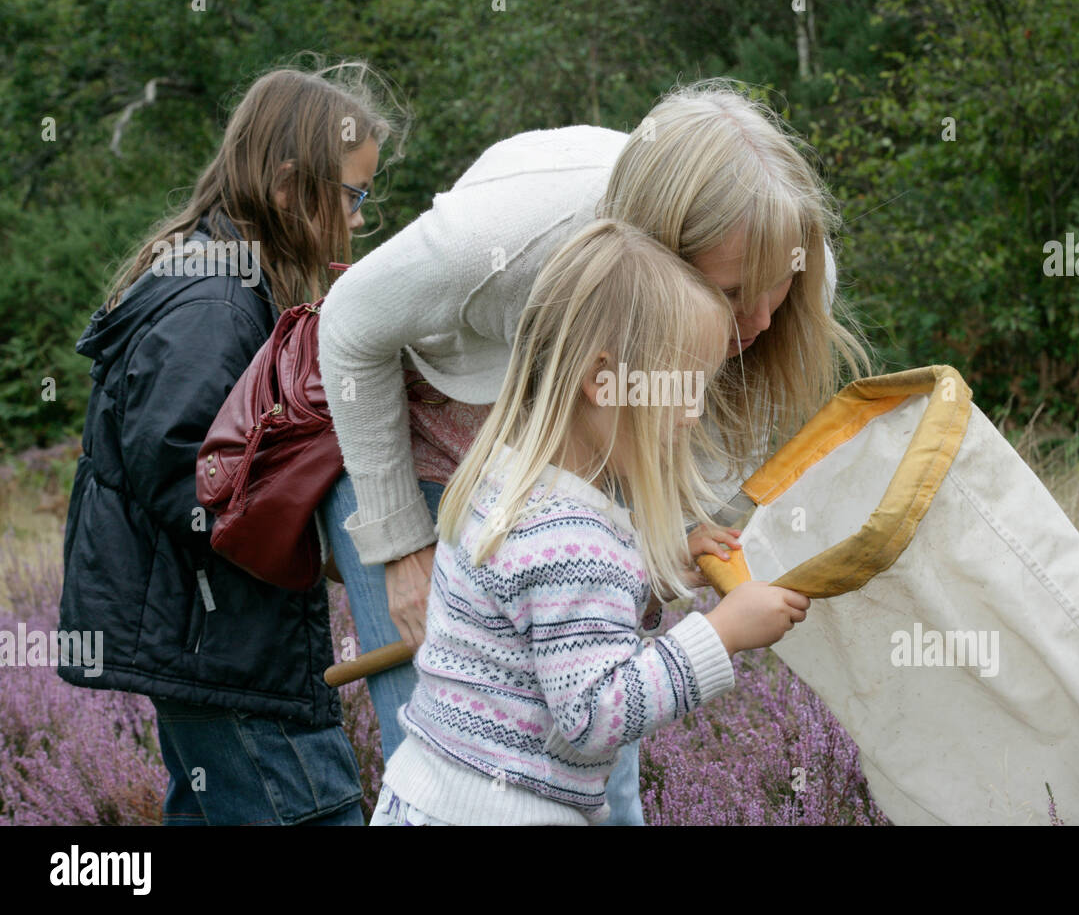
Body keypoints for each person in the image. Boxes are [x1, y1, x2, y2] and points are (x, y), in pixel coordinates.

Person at [318, 78, 870, 824]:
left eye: (780, 288)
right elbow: (350, 324)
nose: (763, 319)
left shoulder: (774, 272)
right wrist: (400, 547)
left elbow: (585, 575)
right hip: (417, 419)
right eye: (737, 292)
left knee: (571, 748)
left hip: (537, 469)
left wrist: (656, 549)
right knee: (486, 717)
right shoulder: (495, 240)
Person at [368, 218, 811, 825]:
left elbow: (542, 632)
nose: (693, 413)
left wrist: (653, 578)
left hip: (429, 797)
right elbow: (594, 715)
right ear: (603, 379)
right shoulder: (572, 540)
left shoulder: (505, 486)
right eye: (684, 386)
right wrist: (722, 633)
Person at [57, 59, 407, 825]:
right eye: (350, 195)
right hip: (227, 655)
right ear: (287, 187)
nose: (354, 219)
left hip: (217, 653)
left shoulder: (222, 278)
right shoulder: (214, 299)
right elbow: (189, 476)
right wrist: (323, 531)